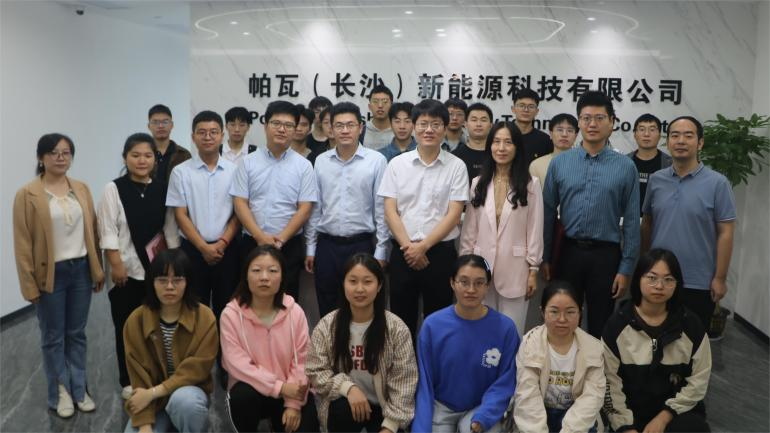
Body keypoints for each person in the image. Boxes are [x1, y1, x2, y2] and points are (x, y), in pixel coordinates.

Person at [13, 133, 105, 418]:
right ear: (41, 158)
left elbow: (93, 230)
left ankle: (79, 389)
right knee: (53, 336)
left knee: (76, 333)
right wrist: (28, 285)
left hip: (81, 270)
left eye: (66, 152)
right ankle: (60, 392)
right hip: (51, 273)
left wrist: (97, 268)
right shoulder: (27, 194)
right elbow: (23, 244)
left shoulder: (81, 189)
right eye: (53, 152)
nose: (61, 157)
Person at [542, 91, 640, 338]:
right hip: (568, 252)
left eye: (599, 118)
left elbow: (631, 221)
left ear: (612, 122)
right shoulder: (560, 163)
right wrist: (545, 257)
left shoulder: (626, 167)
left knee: (601, 323)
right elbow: (547, 212)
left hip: (606, 255)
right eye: (586, 118)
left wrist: (626, 268)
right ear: (579, 122)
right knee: (563, 319)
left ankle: (598, 364)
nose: (592, 124)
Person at [377, 98, 469, 338]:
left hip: (439, 254)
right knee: (400, 322)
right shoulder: (397, 164)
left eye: (436, 124)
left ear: (445, 128)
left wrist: (423, 247)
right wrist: (410, 248)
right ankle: (403, 364)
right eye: (423, 124)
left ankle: (433, 364)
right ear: (414, 126)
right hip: (403, 253)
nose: (429, 130)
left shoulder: (456, 166)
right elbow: (390, 211)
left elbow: (454, 214)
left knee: (438, 322)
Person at [97, 133, 180, 400]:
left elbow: (170, 228)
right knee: (126, 326)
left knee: (157, 325)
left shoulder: (162, 188)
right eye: (135, 155)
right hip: (125, 270)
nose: (141, 160)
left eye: (147, 155)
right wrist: (115, 264)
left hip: (156, 271)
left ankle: (156, 374)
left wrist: (174, 265)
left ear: (155, 159)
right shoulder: (114, 188)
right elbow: (107, 230)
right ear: (125, 158)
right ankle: (128, 378)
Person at [641, 116, 736, 332]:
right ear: (668, 142)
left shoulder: (718, 183)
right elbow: (647, 224)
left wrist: (720, 278)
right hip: (658, 278)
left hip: (698, 281)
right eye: (675, 135)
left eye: (688, 135)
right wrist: (644, 266)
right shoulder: (656, 180)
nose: (681, 141)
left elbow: (726, 233)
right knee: (653, 339)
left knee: (692, 343)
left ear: (700, 143)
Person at [603, 249, 711, 433]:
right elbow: (609, 384)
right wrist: (625, 427)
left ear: (677, 284)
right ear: (638, 279)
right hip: (630, 415)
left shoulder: (691, 325)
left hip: (675, 414)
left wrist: (664, 417)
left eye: (668, 279)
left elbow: (699, 380)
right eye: (652, 278)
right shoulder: (616, 325)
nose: (659, 286)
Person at [307, 253, 418, 433]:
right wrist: (348, 388)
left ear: (379, 285)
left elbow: (405, 382)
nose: (360, 289)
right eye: (353, 281)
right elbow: (315, 371)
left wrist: (390, 426)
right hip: (347, 404)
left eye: (367, 282)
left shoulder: (396, 328)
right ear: (343, 284)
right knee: (341, 410)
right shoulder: (327, 325)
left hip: (384, 408)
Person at [413, 255, 519, 433]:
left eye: (479, 283)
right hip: (441, 407)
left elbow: (506, 381)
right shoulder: (432, 326)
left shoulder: (505, 329)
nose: (471, 289)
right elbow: (424, 382)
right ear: (452, 283)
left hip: (482, 406)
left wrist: (484, 417)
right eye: (464, 282)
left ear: (487, 286)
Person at [220, 245, 318, 433]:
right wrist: (279, 387)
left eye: (272, 271)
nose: (264, 277)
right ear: (246, 276)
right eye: (256, 270)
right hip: (254, 391)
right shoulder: (231, 315)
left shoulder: (295, 312)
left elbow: (303, 360)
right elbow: (237, 364)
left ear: (282, 277)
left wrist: (293, 404)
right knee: (242, 397)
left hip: (291, 391)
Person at [305, 102, 390, 317]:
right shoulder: (321, 161)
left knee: (363, 308)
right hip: (327, 246)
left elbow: (381, 210)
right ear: (331, 129)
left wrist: (381, 250)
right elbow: (316, 208)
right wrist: (311, 248)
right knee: (327, 307)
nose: (345, 130)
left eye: (350, 125)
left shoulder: (376, 161)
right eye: (339, 125)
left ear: (360, 127)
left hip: (362, 245)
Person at [459, 121, 543, 335]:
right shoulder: (478, 183)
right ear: (490, 146)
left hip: (516, 270)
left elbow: (535, 229)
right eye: (496, 142)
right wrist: (465, 265)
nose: (501, 148)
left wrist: (533, 270)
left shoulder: (530, 184)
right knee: (480, 332)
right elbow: (469, 230)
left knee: (511, 332)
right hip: (480, 269)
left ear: (517, 147)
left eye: (508, 142)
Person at [123, 249, 218, 433]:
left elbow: (196, 371)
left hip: (188, 392)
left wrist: (153, 392)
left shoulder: (204, 317)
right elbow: (139, 379)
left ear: (187, 282)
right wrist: (144, 425)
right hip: (153, 402)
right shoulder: (136, 321)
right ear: (152, 282)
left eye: (177, 280)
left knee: (185, 403)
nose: (169, 287)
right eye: (162, 280)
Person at [230, 100, 318, 300]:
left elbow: (305, 208)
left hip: (289, 245)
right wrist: (259, 237)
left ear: (295, 129)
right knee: (250, 298)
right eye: (276, 123)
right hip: (252, 242)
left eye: (288, 125)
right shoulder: (248, 163)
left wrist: (281, 239)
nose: (282, 129)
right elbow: (240, 203)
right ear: (265, 125)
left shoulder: (304, 166)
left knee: (287, 300)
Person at [167, 111, 240, 326]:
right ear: (193, 136)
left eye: (213, 132)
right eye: (202, 132)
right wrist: (203, 248)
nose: (208, 137)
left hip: (227, 250)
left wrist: (222, 243)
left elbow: (239, 213)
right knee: (194, 310)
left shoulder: (235, 171)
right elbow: (180, 215)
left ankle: (225, 349)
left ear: (222, 135)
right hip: (192, 251)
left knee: (227, 310)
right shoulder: (180, 172)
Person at [513, 281, 605, 433]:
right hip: (539, 413)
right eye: (554, 312)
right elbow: (527, 397)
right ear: (542, 312)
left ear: (580, 312)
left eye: (570, 312)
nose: (562, 319)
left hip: (577, 416)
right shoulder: (529, 344)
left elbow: (592, 398)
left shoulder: (593, 348)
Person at [627, 113, 672, 215]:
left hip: (660, 219)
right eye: (642, 129)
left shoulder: (671, 164)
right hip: (628, 219)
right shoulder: (623, 162)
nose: (646, 134)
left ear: (659, 135)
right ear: (635, 134)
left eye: (652, 130)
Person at [529, 113, 579, 188]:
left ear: (576, 136)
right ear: (551, 134)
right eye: (560, 130)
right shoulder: (536, 165)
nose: (564, 134)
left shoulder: (584, 164)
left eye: (570, 130)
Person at [147, 104, 192, 183]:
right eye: (155, 122)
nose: (160, 126)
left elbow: (189, 182)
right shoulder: (143, 153)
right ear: (149, 126)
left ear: (172, 125)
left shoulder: (183, 154)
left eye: (165, 122)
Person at [511, 89, 553, 165]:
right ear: (513, 109)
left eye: (531, 106)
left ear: (537, 111)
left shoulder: (545, 140)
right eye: (521, 106)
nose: (526, 110)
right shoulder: (502, 135)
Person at [452, 102, 494, 180]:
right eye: (474, 120)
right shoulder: (455, 156)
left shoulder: (498, 154)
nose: (478, 124)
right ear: (465, 124)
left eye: (483, 120)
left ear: (491, 125)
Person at [360, 84, 395, 150]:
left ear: (392, 105)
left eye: (385, 102)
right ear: (369, 106)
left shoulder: (399, 131)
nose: (380, 105)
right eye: (375, 101)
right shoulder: (361, 132)